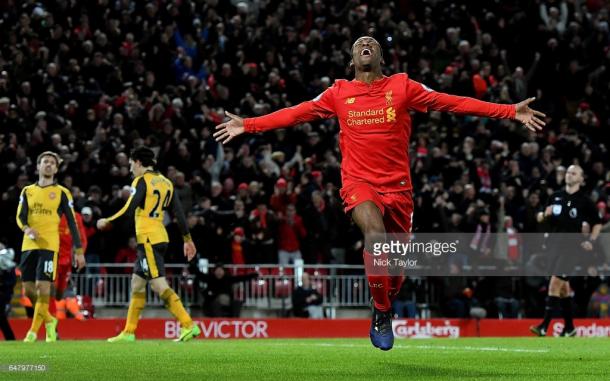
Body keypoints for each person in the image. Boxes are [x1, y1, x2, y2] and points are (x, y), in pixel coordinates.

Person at [214, 36, 546, 350]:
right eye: (359, 44)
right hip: (360, 184)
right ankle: (382, 314)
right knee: (375, 235)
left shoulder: (402, 87)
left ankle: (384, 299)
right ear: (352, 59)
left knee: (395, 272)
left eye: (371, 43)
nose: (366, 44)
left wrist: (508, 111)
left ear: (381, 56)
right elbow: (296, 113)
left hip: (399, 189)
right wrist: (248, 124)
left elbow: (452, 102)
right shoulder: (338, 92)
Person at [97, 147, 199, 342]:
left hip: (149, 240)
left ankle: (188, 325)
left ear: (137, 162)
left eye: (130, 164)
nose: (130, 169)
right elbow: (179, 213)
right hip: (159, 237)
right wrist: (187, 239)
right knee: (137, 284)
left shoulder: (142, 181)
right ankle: (128, 332)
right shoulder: (167, 183)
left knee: (158, 284)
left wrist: (108, 220)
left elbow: (129, 208)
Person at [16, 151, 86, 343]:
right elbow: (20, 217)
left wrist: (79, 251)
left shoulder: (63, 192)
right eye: (44, 161)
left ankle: (32, 333)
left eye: (52, 163)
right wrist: (27, 229)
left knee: (43, 287)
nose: (48, 164)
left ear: (56, 169)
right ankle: (49, 320)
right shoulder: (27, 191)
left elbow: (72, 222)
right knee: (29, 290)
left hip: (49, 246)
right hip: (28, 245)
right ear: (38, 166)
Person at [530, 165, 602, 337]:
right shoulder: (555, 197)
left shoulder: (584, 201)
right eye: (568, 173)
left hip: (572, 249)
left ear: (581, 179)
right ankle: (570, 327)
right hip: (554, 246)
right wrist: (542, 216)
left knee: (555, 283)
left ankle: (544, 326)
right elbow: (543, 218)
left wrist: (591, 240)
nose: (569, 175)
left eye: (573, 173)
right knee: (564, 289)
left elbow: (597, 222)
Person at [55, 210, 88, 320]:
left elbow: (82, 239)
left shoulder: (75, 217)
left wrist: (79, 253)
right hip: (55, 260)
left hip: (63, 262)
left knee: (60, 295)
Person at [191, 264, 258, 317]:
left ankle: (235, 321)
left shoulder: (228, 279)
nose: (219, 272)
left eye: (221, 270)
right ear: (214, 271)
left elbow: (241, 278)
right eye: (217, 270)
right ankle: (219, 321)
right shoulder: (210, 279)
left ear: (224, 271)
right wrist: (192, 264)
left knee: (237, 302)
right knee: (216, 304)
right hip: (213, 302)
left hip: (227, 302)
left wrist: (253, 275)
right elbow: (199, 274)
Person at [0, 244, 16, 340]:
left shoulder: (8, 265)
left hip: (3, 295)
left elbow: (11, 282)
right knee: (1, 319)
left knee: (1, 317)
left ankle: (10, 338)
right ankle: (10, 338)